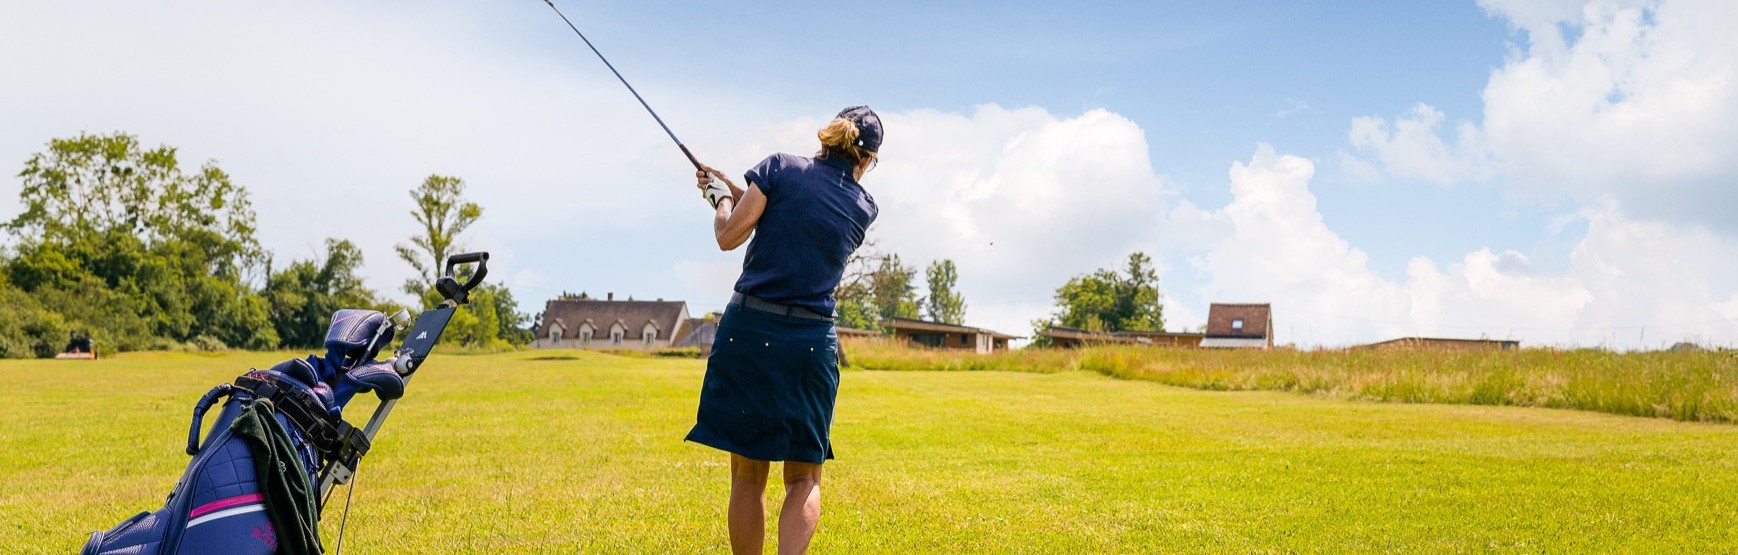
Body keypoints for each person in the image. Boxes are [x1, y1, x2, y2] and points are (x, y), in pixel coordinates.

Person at [685, 106, 882, 555]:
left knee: (749, 475)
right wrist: (739, 187)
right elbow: (786, 212)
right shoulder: (863, 207)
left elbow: (730, 234)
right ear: (866, 160)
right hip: (811, 344)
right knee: (804, 477)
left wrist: (720, 198)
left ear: (827, 137)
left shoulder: (780, 167)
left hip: (750, 331)